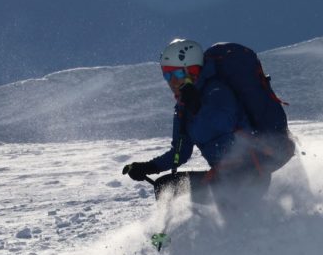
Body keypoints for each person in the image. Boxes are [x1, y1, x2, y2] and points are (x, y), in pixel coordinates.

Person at [122, 39, 294, 214]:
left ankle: (248, 233)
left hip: (251, 171)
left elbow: (225, 121)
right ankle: (181, 237)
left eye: (177, 75)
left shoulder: (217, 89)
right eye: (167, 76)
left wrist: (197, 106)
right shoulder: (183, 108)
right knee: (166, 186)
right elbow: (180, 153)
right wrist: (147, 167)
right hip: (223, 176)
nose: (172, 81)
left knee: (231, 210)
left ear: (193, 70)